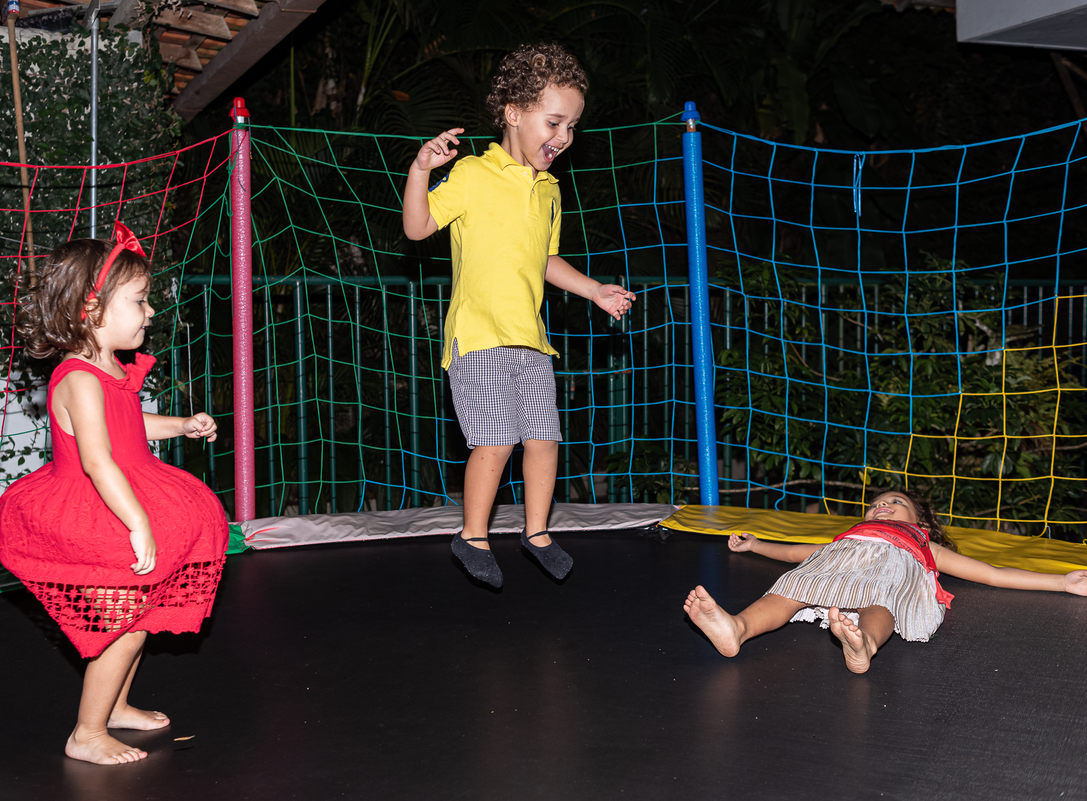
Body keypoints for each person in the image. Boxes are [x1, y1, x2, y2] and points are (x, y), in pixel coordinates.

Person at [0, 224, 229, 764]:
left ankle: (116, 706)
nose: (149, 312)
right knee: (120, 627)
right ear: (91, 310)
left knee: (140, 616)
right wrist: (138, 521)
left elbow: (129, 423)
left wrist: (180, 425)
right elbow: (97, 461)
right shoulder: (77, 378)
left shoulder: (108, 371)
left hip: (131, 488)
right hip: (99, 506)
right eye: (139, 301)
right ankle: (87, 732)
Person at [403, 42, 636, 588]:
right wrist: (420, 170)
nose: (563, 138)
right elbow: (417, 229)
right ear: (513, 114)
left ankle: (537, 532)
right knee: (495, 439)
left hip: (531, 340)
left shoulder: (549, 190)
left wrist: (593, 290)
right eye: (554, 121)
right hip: (478, 337)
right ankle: (474, 534)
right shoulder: (472, 175)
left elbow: (546, 259)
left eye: (572, 127)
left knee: (544, 438)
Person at [684, 489, 1087, 673]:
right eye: (877, 503)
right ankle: (737, 627)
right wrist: (758, 545)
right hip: (834, 566)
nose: (882, 506)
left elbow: (994, 574)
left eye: (896, 503)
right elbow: (798, 554)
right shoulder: (846, 538)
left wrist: (1061, 582)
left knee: (882, 601)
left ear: (920, 521)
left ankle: (866, 644)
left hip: (894, 573)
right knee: (794, 586)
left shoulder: (924, 545)